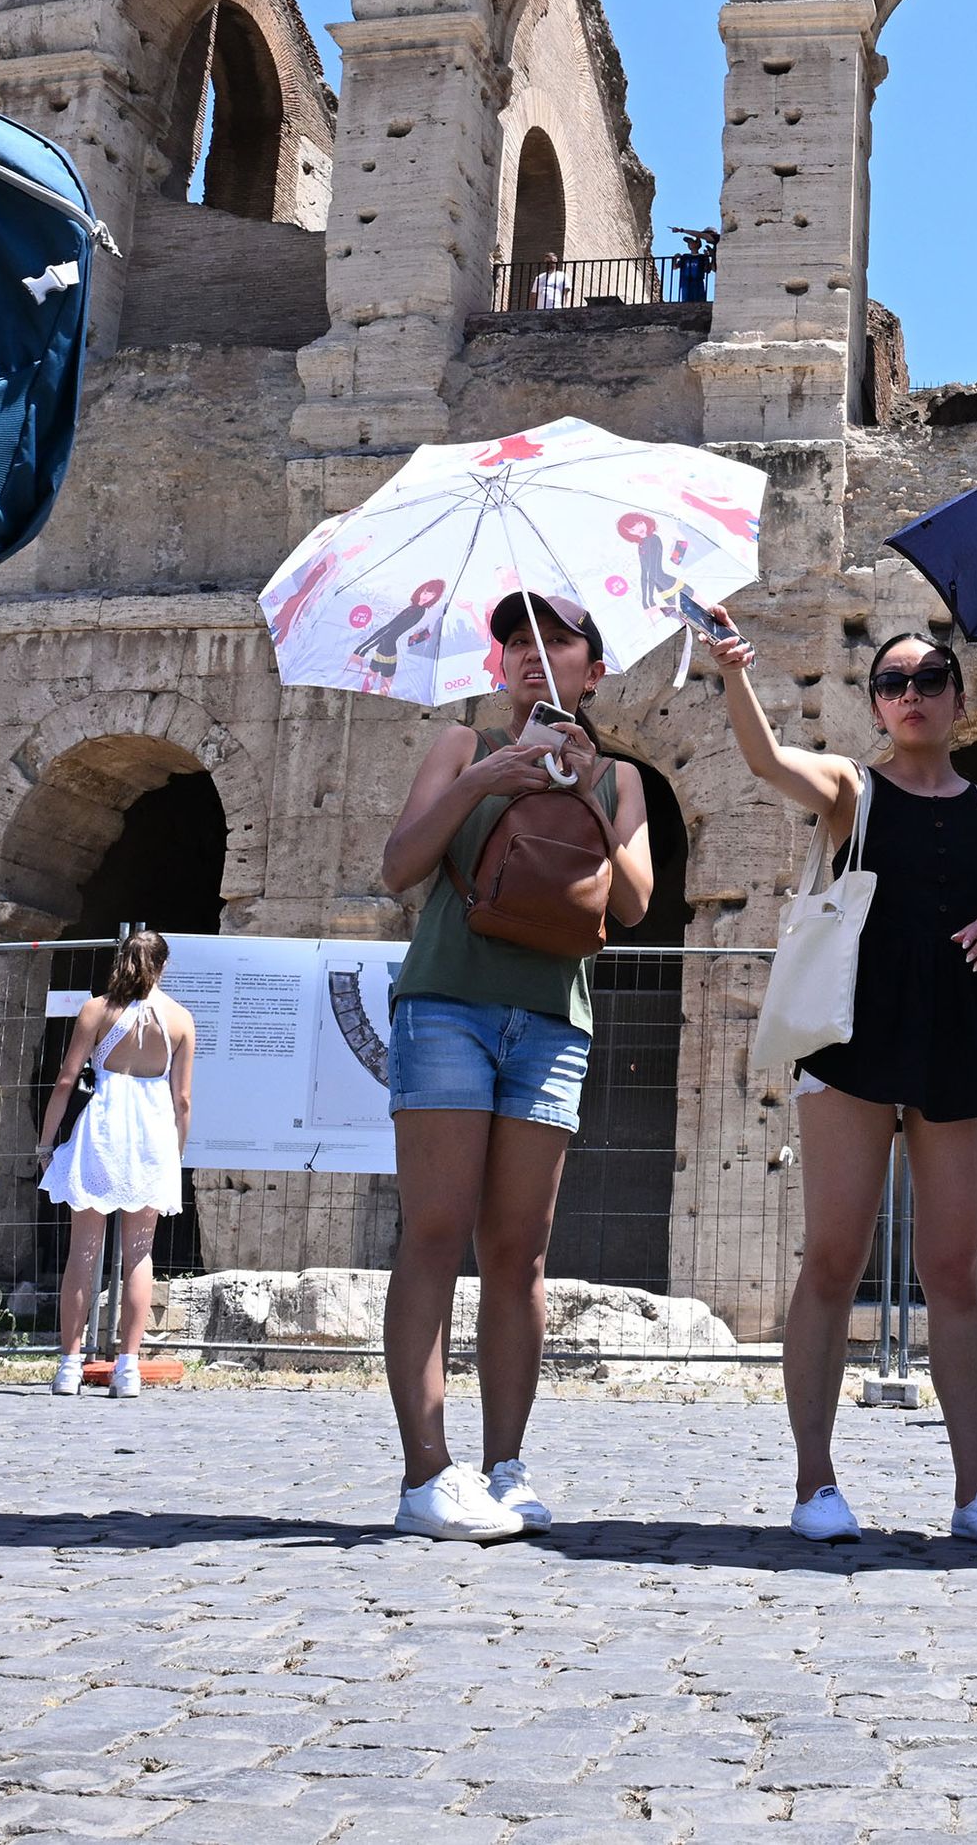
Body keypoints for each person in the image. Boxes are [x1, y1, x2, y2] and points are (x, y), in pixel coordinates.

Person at [709, 620, 977, 1548]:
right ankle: (816, 1480)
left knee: (953, 1274)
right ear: (876, 705)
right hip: (855, 1034)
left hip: (957, 1037)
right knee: (832, 1257)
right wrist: (738, 672)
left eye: (931, 676)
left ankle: (975, 1490)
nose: (912, 691)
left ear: (961, 698)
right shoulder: (853, 789)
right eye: (892, 680)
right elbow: (768, 759)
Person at [372, 591, 654, 1543]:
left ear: (593, 667)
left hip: (549, 1018)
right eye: (515, 641)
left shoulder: (618, 778)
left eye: (557, 639)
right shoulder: (458, 747)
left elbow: (640, 901)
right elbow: (398, 865)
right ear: (499, 669)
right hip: (447, 1001)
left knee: (519, 1251)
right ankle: (426, 1473)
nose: (534, 653)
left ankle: (506, 1465)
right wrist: (485, 776)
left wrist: (576, 787)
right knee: (435, 1230)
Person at [37, 927, 195, 1399]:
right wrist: (177, 1153)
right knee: (139, 1254)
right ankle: (127, 1367)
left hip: (103, 1131)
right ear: (163, 966)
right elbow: (182, 1099)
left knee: (83, 1253)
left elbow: (66, 1080)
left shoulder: (96, 1009)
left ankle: (69, 1366)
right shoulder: (181, 1019)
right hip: (151, 1138)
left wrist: (46, 1142)